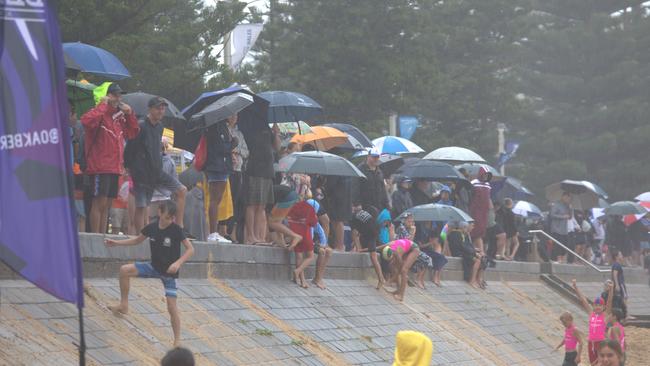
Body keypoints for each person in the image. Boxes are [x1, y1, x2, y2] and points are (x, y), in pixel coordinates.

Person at [104, 201, 194, 347]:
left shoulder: (176, 230)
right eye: (166, 217)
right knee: (124, 270)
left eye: (172, 218)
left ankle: (177, 339)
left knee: (172, 307)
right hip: (154, 267)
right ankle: (124, 304)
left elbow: (190, 249)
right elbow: (137, 240)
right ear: (159, 212)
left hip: (170, 274)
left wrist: (178, 263)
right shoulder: (152, 228)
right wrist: (116, 242)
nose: (169, 221)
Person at [80, 83, 139, 233]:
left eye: (119, 95)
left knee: (107, 204)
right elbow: (86, 121)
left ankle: (102, 235)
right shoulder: (98, 112)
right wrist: (103, 104)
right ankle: (96, 236)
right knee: (98, 202)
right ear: (106, 96)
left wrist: (129, 114)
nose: (118, 98)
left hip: (114, 167)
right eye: (114, 95)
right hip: (99, 166)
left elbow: (132, 133)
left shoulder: (118, 118)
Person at [123, 97, 186, 233]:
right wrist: (128, 167)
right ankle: (141, 237)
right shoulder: (140, 126)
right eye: (158, 108)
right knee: (142, 206)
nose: (161, 111)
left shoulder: (160, 127)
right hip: (141, 173)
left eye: (163, 108)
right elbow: (129, 148)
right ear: (150, 109)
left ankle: (180, 228)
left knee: (182, 190)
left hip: (157, 171)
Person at [244, 123, 281, 244]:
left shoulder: (267, 129)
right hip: (255, 170)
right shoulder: (251, 127)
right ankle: (250, 236)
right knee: (252, 204)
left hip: (267, 171)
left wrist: (276, 133)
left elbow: (277, 147)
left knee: (262, 206)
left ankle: (259, 237)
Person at [573, 279, 614, 365]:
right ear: (593, 306)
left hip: (601, 343)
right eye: (596, 305)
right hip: (591, 343)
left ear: (603, 307)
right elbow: (583, 300)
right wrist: (575, 287)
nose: (598, 307)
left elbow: (609, 302)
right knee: (593, 363)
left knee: (601, 363)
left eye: (600, 305)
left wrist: (611, 290)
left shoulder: (604, 315)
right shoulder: (591, 313)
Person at [225, 111, 249, 243]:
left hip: (238, 170)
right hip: (227, 169)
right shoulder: (223, 130)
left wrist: (237, 150)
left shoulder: (239, 134)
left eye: (236, 115)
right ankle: (223, 230)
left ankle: (232, 232)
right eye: (232, 114)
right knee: (227, 201)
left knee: (236, 202)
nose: (234, 117)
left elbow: (246, 152)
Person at [350, 203, 385, 290]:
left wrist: (356, 246)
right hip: (375, 228)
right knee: (374, 257)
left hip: (370, 231)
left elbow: (355, 233)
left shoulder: (353, 217)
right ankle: (381, 279)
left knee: (373, 257)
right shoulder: (362, 213)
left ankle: (358, 249)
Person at [287, 197, 318, 288]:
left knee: (299, 256)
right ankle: (298, 270)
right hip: (306, 234)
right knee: (310, 256)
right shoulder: (308, 208)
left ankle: (301, 280)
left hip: (295, 234)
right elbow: (314, 223)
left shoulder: (291, 208)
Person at [307, 198, 332, 290]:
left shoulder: (314, 219)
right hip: (304, 241)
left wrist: (323, 243)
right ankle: (317, 279)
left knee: (328, 251)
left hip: (311, 242)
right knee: (321, 251)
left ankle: (318, 278)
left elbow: (321, 232)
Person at [357, 147, 390, 212]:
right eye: (374, 157)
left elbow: (383, 189)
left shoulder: (379, 171)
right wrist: (357, 203)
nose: (376, 159)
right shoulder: (360, 169)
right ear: (368, 156)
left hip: (379, 206)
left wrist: (387, 204)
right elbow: (355, 188)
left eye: (377, 157)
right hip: (365, 206)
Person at [468, 166, 492, 253]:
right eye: (484, 174)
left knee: (480, 233)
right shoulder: (474, 183)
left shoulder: (488, 185)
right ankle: (480, 252)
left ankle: (479, 252)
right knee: (474, 232)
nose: (485, 176)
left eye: (487, 175)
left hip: (484, 213)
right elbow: (470, 197)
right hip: (475, 212)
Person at [550, 192, 573, 263]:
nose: (568, 199)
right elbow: (552, 215)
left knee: (565, 244)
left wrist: (571, 209)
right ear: (563, 196)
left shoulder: (567, 206)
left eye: (569, 198)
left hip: (564, 229)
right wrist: (563, 217)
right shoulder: (556, 204)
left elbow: (570, 217)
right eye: (566, 197)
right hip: (556, 228)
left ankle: (562, 259)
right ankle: (557, 259)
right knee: (557, 244)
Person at [610, 249, 628, 318]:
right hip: (620, 284)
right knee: (624, 297)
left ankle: (624, 314)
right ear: (616, 257)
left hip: (619, 284)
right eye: (620, 254)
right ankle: (626, 314)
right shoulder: (617, 265)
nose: (622, 256)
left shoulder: (615, 264)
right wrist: (617, 284)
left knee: (621, 298)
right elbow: (615, 274)